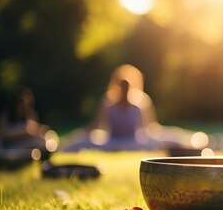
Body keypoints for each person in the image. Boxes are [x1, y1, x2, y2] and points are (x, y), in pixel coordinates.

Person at [62, 64, 192, 151]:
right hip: (112, 141)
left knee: (172, 135)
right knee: (80, 141)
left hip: (135, 141)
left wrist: (162, 135)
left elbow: (149, 127)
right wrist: (81, 134)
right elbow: (97, 125)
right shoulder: (108, 102)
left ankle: (196, 142)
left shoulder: (141, 102)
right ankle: (60, 146)